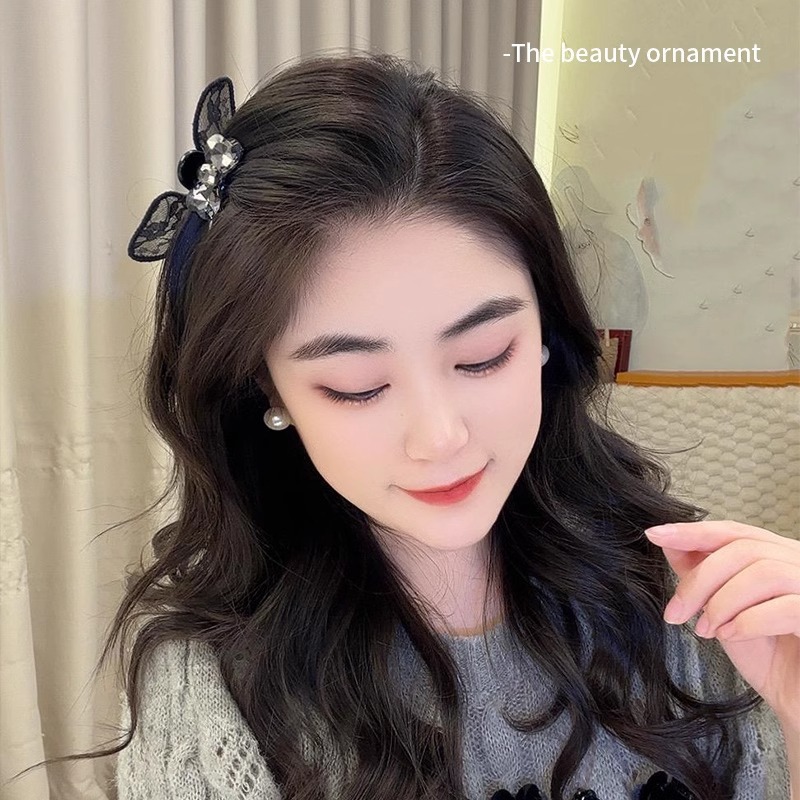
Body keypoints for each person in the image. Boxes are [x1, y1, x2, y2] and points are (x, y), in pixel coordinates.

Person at [8, 52, 798, 800]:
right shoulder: (213, 685)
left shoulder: (684, 596)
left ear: (546, 331)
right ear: (265, 388)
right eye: (358, 387)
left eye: (483, 356)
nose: (440, 435)